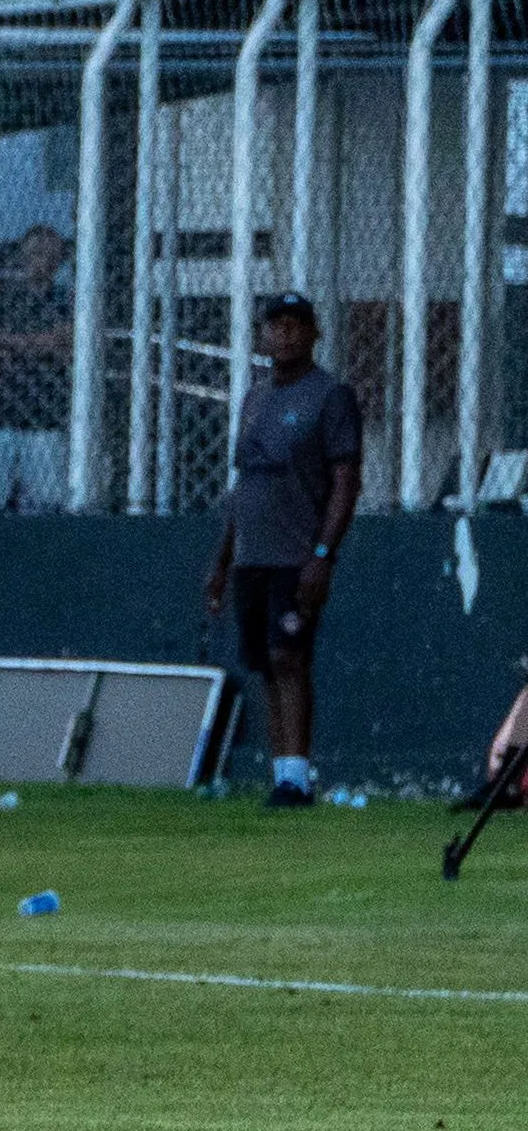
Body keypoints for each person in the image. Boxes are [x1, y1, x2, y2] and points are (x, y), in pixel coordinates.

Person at [205, 293, 361, 808]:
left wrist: (322, 552)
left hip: (295, 553)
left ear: (315, 334)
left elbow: (345, 480)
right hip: (253, 553)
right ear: (264, 335)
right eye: (278, 326)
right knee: (265, 665)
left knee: (288, 656)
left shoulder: (329, 396)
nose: (286, 335)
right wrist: (224, 560)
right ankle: (281, 773)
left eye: (298, 326)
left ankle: (298, 775)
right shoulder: (254, 398)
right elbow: (244, 483)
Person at [0, 225, 75, 513]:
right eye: (34, 252)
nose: (41, 259)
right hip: (2, 410)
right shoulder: (4, 297)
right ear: (22, 255)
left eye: (48, 253)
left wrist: (12, 343)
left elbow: (64, 341)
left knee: (47, 504)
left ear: (59, 259)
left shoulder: (64, 299)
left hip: (46, 414)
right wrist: (39, 343)